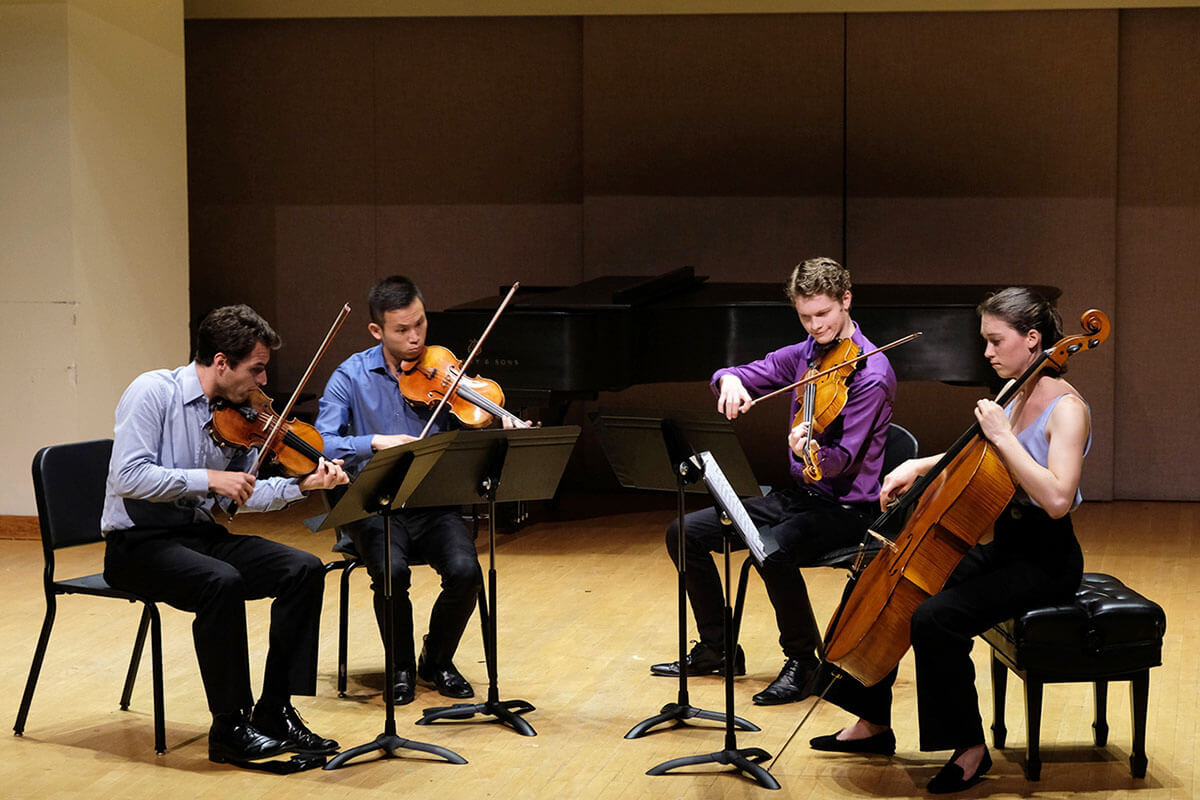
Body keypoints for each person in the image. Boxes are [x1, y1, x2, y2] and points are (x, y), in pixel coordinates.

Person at [809, 287, 1090, 794]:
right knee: (887, 579)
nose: (987, 352)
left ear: (1032, 338)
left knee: (935, 617)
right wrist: (918, 465)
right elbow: (977, 457)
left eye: (995, 341)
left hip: (1046, 561)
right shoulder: (1015, 389)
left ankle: (969, 748)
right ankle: (872, 722)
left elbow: (1056, 498)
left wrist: (1003, 435)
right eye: (985, 341)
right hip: (1004, 546)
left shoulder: (1067, 409)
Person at [101, 304, 348, 766]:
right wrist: (208, 479)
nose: (262, 382)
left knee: (303, 569)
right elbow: (128, 477)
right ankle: (230, 727)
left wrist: (301, 486)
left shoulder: (237, 414)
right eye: (256, 370)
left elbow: (239, 495)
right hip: (137, 545)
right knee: (221, 581)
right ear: (221, 362)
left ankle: (274, 710)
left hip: (197, 535)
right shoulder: (152, 392)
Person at [650, 257, 896, 705]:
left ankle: (804, 661)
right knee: (683, 532)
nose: (815, 326)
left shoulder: (871, 375)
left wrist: (808, 452)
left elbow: (842, 461)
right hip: (800, 498)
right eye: (805, 317)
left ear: (846, 300)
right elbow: (740, 372)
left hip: (848, 510)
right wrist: (729, 381)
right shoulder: (806, 354)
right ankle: (718, 649)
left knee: (771, 549)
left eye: (823, 314)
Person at [316, 275, 485, 706]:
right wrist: (373, 442)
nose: (415, 338)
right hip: (373, 506)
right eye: (402, 330)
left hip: (431, 503)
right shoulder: (349, 377)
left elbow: (473, 431)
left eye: (420, 324)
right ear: (377, 330)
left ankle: (437, 660)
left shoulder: (443, 371)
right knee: (392, 573)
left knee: (466, 572)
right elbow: (320, 443)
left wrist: (498, 421)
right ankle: (400, 667)